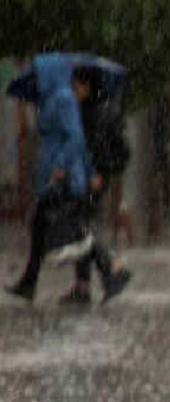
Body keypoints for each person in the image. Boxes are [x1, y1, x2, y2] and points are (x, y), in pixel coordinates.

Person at [6, 59, 130, 304]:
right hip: (57, 177)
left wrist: (62, 166)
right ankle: (31, 282)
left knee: (71, 231)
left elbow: (75, 138)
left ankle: (112, 268)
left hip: (64, 179)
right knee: (44, 228)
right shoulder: (54, 99)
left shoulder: (63, 99)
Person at [60, 68, 131, 305]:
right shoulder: (96, 110)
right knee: (79, 230)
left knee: (78, 230)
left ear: (87, 86)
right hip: (85, 178)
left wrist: (100, 172)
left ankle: (112, 267)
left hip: (90, 180)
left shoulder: (95, 113)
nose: (73, 90)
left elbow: (103, 150)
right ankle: (84, 284)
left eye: (76, 85)